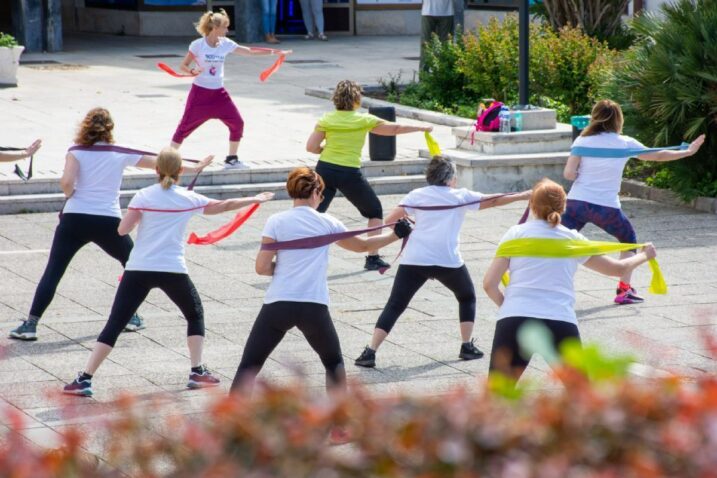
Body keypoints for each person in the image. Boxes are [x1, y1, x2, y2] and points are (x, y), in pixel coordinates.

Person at [63, 148, 275, 396]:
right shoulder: (187, 198)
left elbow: (121, 231)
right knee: (194, 315)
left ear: (156, 169)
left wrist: (141, 216)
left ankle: (85, 378)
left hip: (138, 268)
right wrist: (255, 198)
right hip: (172, 268)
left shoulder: (142, 196)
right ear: (181, 171)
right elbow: (224, 205)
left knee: (115, 324)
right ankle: (197, 371)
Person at [9, 108, 212, 341]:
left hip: (74, 219)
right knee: (134, 264)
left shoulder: (75, 151)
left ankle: (31, 324)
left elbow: (66, 182)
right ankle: (131, 316)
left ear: (84, 127)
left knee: (54, 270)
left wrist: (72, 193)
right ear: (110, 129)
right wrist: (195, 166)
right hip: (108, 220)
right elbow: (164, 163)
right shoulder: (119, 152)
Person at [230, 167, 412, 395]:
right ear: (316, 192)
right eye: (322, 194)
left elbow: (261, 267)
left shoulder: (276, 221)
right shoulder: (327, 222)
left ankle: (225, 426)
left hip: (278, 304)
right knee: (333, 362)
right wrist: (396, 234)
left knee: (249, 366)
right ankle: (339, 427)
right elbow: (364, 246)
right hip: (313, 306)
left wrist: (284, 268)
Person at [354, 156, 531, 368]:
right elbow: (494, 200)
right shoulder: (460, 196)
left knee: (395, 304)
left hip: (415, 260)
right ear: (450, 178)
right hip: (449, 261)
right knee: (466, 297)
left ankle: (370, 352)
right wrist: (523, 196)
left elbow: (390, 221)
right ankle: (466, 346)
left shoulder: (416, 195)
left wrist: (408, 224)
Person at [482, 178, 657, 383]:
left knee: (498, 396)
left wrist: (509, 307)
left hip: (514, 319)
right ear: (564, 207)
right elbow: (617, 269)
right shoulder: (572, 240)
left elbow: (489, 284)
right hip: (559, 320)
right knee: (580, 395)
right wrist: (646, 255)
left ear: (532, 205)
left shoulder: (514, 234)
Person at [562, 99, 704, 305]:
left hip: (576, 203)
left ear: (594, 117)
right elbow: (658, 155)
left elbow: (568, 174)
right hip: (606, 207)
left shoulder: (581, 142)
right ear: (618, 120)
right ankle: (624, 290)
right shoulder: (625, 143)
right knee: (628, 239)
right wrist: (688, 151)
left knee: (554, 238)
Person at [306, 79, 433, 271]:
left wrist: (323, 149)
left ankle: (303, 254)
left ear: (335, 99)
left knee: (313, 213)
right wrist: (422, 128)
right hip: (349, 173)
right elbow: (395, 129)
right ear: (357, 100)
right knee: (374, 211)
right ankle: (372, 258)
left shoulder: (326, 119)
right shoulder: (364, 120)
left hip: (325, 170)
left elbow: (311, 147)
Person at [170, 9, 290, 170]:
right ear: (215, 28)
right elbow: (183, 65)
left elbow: (249, 52)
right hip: (200, 94)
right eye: (225, 27)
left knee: (237, 123)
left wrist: (275, 52)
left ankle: (232, 159)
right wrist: (192, 71)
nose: (227, 30)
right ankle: (167, 160)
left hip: (219, 94)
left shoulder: (226, 44)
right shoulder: (198, 45)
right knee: (184, 127)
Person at [420, 0, 455, 71]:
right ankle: (424, 76)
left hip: (446, 12)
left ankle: (445, 75)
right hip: (428, 11)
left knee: (446, 45)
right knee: (426, 45)